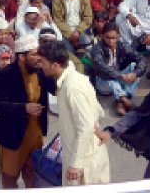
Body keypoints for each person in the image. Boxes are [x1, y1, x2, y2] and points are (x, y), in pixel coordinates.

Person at [37, 39, 110, 185]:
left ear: (55, 65)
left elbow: (85, 127)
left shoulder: (72, 87)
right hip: (79, 153)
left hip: (84, 162)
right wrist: (96, 126)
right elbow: (96, 110)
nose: (40, 65)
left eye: (42, 62)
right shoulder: (71, 79)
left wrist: (76, 164)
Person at [0, 34, 53, 189]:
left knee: (32, 174)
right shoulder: (7, 74)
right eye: (34, 54)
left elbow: (55, 88)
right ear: (21, 57)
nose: (39, 58)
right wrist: (24, 108)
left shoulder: (40, 71)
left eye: (39, 53)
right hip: (12, 134)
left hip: (35, 133)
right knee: (9, 177)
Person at [89, 21, 147, 115]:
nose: (111, 41)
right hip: (103, 83)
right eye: (108, 38)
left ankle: (120, 101)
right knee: (108, 75)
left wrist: (135, 74)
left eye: (114, 38)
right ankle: (126, 100)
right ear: (102, 36)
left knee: (134, 67)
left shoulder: (122, 45)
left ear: (118, 36)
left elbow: (141, 58)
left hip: (120, 77)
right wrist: (121, 76)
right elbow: (101, 67)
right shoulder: (97, 49)